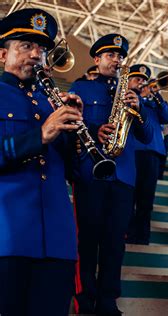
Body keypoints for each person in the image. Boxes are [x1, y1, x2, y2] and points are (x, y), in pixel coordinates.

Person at [0, 8, 83, 315]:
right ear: (1, 54)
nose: (36, 54)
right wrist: (42, 134)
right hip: (8, 238)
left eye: (42, 48)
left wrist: (77, 134)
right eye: (26, 45)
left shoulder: (52, 102)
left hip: (57, 240)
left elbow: (78, 174)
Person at [69, 34, 153, 315]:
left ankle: (108, 300)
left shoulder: (133, 93)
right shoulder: (81, 87)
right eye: (110, 55)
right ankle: (84, 299)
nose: (116, 60)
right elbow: (71, 123)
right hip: (90, 173)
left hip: (123, 176)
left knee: (115, 242)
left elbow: (148, 135)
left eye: (119, 56)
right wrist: (95, 130)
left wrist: (139, 109)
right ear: (97, 59)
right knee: (88, 239)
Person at [127, 64, 168, 245]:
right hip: (132, 151)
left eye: (144, 80)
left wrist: (157, 96)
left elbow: (167, 118)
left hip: (152, 153)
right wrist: (140, 98)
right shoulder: (128, 97)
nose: (142, 82)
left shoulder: (155, 101)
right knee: (129, 197)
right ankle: (127, 233)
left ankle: (142, 236)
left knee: (146, 199)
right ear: (129, 81)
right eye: (137, 79)